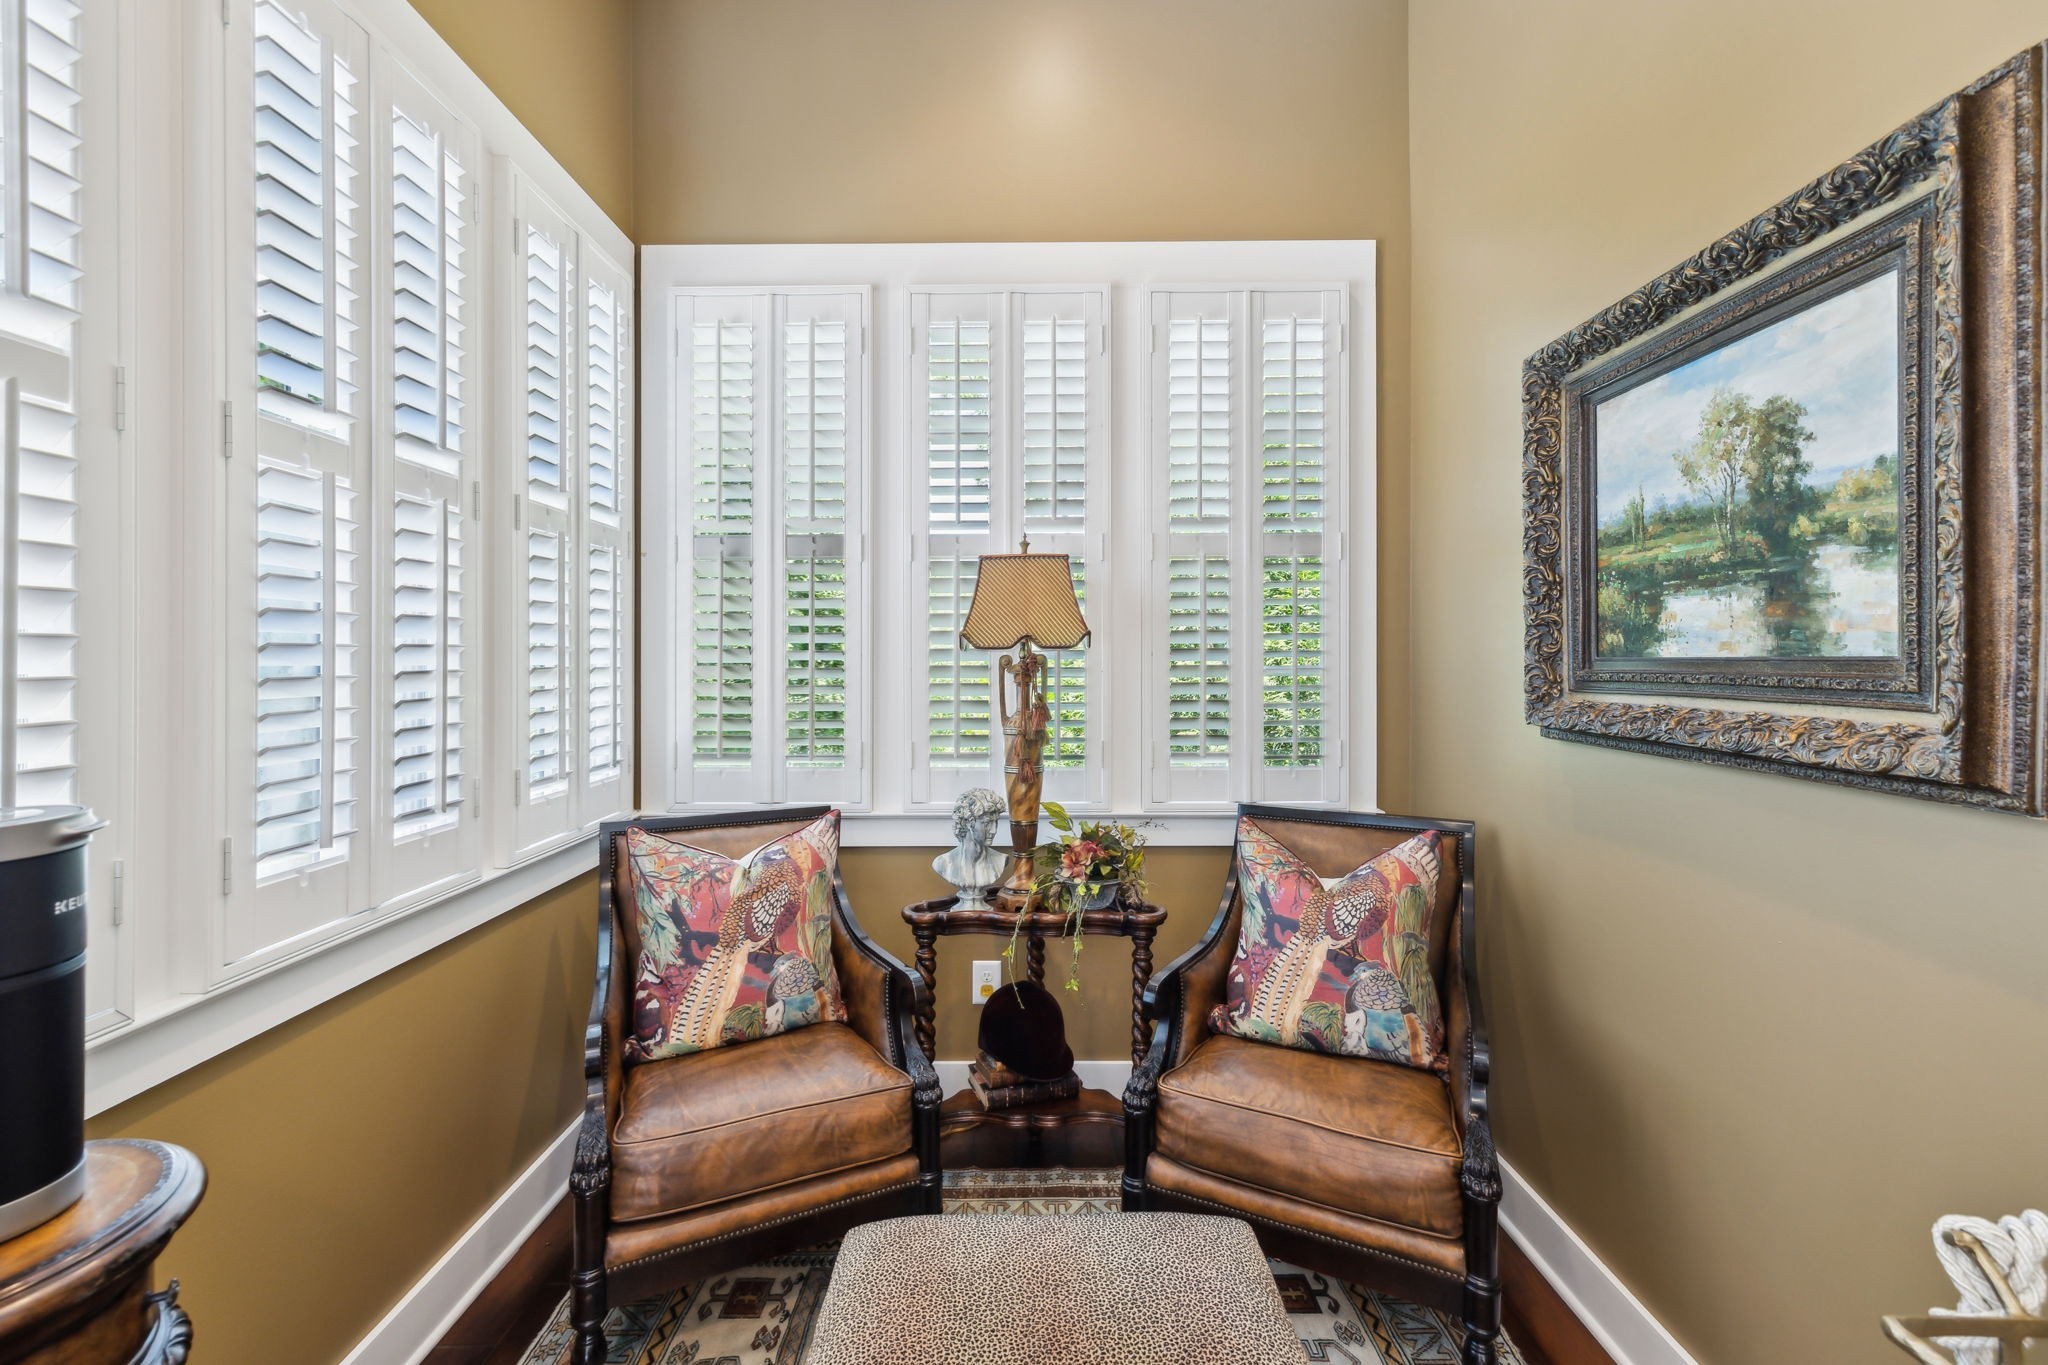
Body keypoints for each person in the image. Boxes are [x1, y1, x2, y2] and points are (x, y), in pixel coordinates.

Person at [932, 787, 1009, 907]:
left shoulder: (1000, 860)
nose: (993, 830)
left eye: (996, 822)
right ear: (968, 822)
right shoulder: (943, 863)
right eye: (987, 823)